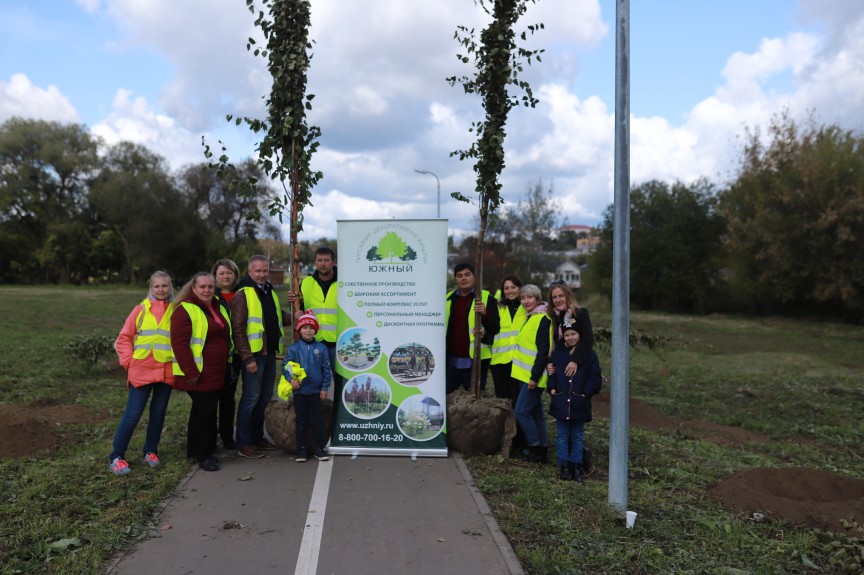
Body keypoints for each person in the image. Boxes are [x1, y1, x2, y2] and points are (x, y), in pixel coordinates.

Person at [108, 271, 176, 476]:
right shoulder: (141, 310)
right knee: (133, 414)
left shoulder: (176, 309)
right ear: (151, 288)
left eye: (165, 286)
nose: (161, 289)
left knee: (158, 414)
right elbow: (123, 338)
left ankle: (150, 451)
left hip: (166, 371)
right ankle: (116, 457)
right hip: (141, 370)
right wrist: (129, 363)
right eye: (157, 286)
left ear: (170, 287)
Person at [171, 272, 231, 472]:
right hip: (197, 373)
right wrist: (190, 372)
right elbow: (179, 344)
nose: (206, 290)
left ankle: (193, 450)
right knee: (206, 411)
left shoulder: (216, 306)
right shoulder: (184, 310)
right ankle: (205, 455)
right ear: (193, 288)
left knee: (199, 411)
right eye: (202, 287)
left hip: (215, 371)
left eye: (210, 287)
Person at [232, 255, 284, 459]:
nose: (262, 274)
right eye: (258, 271)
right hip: (254, 357)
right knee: (251, 398)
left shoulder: (268, 291)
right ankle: (243, 442)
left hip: (269, 353)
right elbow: (237, 329)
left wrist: (293, 316)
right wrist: (247, 358)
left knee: (263, 398)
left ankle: (257, 436)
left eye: (265, 271)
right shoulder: (243, 294)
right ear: (250, 271)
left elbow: (272, 317)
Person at [547, 321, 603, 482]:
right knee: (563, 435)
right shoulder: (559, 353)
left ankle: (576, 466)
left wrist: (586, 393)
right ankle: (564, 465)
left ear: (579, 335)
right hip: (561, 401)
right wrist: (552, 389)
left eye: (573, 334)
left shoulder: (589, 354)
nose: (570, 337)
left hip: (579, 403)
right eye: (567, 335)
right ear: (562, 336)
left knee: (577, 435)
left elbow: (595, 376)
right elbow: (552, 372)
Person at [288, 247, 339, 397]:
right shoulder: (306, 283)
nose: (323, 264)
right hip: (313, 341)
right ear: (315, 262)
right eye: (320, 260)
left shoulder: (344, 283)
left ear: (333, 262)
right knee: (313, 382)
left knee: (341, 383)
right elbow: (301, 310)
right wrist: (293, 302)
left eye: (326, 260)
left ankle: (339, 416)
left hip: (338, 341)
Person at [282, 311, 332, 462]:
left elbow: (326, 370)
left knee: (317, 421)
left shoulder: (321, 348)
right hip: (300, 392)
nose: (308, 330)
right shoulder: (294, 349)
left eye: (311, 327)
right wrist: (291, 380)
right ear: (300, 330)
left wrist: (324, 388)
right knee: (302, 421)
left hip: (316, 392)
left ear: (315, 330)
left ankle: (319, 449)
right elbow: (286, 366)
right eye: (305, 327)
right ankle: (302, 450)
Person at [511, 284, 552, 463]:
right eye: (523, 298)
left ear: (537, 298)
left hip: (532, 377)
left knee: (521, 412)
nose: (526, 301)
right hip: (524, 375)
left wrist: (534, 377)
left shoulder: (543, 318)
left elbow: (543, 352)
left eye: (529, 297)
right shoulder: (531, 317)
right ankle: (542, 448)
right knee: (536, 413)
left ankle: (534, 448)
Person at [445, 262, 500, 394]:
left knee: (474, 403)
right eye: (459, 276)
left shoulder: (486, 298)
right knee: (445, 398)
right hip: (450, 362)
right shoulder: (448, 299)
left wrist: (485, 314)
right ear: (455, 279)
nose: (463, 278)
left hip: (475, 362)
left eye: (467, 275)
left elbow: (495, 328)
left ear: (474, 277)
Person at [211, 258, 241, 450]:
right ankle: (210, 437)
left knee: (228, 399)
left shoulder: (242, 295)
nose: (225, 276)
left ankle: (228, 436)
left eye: (229, 273)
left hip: (237, 354)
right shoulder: (209, 296)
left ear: (235, 275)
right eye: (221, 273)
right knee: (212, 398)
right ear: (215, 276)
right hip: (215, 356)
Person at [490, 275, 526, 403]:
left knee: (518, 399)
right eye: (506, 288)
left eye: (513, 287)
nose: (510, 291)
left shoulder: (527, 307)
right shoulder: (497, 307)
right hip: (500, 360)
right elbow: (490, 328)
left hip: (520, 360)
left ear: (520, 288)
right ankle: (505, 423)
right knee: (502, 400)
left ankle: (517, 424)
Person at [548, 281, 593, 376]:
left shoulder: (580, 313)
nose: (558, 299)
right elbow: (549, 342)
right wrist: (549, 362)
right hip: (558, 364)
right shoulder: (551, 316)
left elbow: (588, 338)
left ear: (568, 296)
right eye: (554, 297)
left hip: (578, 363)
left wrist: (575, 360)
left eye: (561, 296)